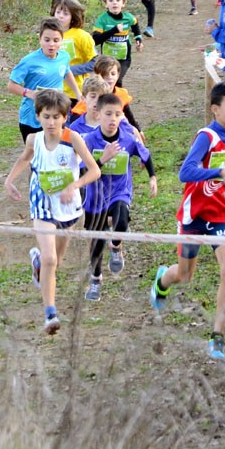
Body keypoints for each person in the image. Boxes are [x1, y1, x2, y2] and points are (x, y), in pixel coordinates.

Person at [150, 81, 225, 361]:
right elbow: (186, 172)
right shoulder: (206, 136)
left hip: (220, 215)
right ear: (215, 109)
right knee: (184, 275)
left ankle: (217, 336)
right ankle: (162, 280)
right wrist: (219, 171)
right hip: (192, 215)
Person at [4, 90, 100, 335]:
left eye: (56, 117)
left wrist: (74, 185)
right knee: (51, 259)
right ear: (38, 117)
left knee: (56, 260)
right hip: (41, 201)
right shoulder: (34, 140)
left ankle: (37, 261)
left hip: (68, 205)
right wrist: (9, 180)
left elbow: (94, 171)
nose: (51, 122)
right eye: (46, 117)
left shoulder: (73, 139)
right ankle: (50, 313)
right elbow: (25, 158)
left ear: (65, 117)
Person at [81, 93, 157, 301]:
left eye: (117, 114)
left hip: (119, 192)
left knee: (121, 219)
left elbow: (146, 154)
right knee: (96, 242)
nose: (113, 119)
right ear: (97, 115)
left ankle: (116, 244)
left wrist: (152, 177)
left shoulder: (127, 138)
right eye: (108, 114)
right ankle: (95, 279)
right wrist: (102, 160)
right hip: (96, 197)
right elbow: (81, 173)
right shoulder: (89, 141)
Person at [7, 17, 81, 142]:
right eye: (47, 40)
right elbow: (11, 85)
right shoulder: (29, 61)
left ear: (62, 40)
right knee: (35, 157)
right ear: (40, 39)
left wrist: (78, 93)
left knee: (55, 153)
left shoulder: (64, 56)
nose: (51, 44)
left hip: (56, 115)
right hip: (32, 118)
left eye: (56, 40)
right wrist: (30, 94)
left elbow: (66, 72)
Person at [68, 56, 143, 138]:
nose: (109, 77)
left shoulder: (121, 94)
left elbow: (128, 115)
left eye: (113, 74)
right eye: (105, 74)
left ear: (118, 75)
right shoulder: (86, 103)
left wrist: (138, 130)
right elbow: (74, 123)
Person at [91, 0, 143, 86]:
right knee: (107, 83)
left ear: (123, 3)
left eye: (118, 0)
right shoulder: (102, 19)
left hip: (124, 58)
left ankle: (122, 101)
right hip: (107, 59)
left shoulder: (128, 18)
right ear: (106, 4)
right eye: (111, 0)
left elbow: (135, 24)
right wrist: (113, 30)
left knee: (117, 80)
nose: (114, 2)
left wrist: (138, 39)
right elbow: (96, 40)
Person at [49, 0, 96, 107]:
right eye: (58, 12)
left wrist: (70, 71)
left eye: (65, 14)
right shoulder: (49, 34)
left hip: (75, 91)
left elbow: (95, 63)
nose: (60, 16)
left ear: (73, 17)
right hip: (53, 89)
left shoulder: (81, 36)